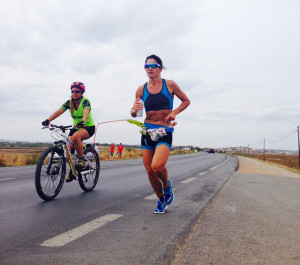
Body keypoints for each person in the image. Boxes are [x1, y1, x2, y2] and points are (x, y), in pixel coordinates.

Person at [130, 54, 190, 214]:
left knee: (157, 167)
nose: (149, 68)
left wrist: (174, 112)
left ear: (160, 68)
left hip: (164, 130)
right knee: (149, 170)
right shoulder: (141, 89)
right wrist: (134, 110)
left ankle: (166, 185)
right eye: (146, 66)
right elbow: (136, 113)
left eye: (153, 66)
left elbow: (186, 101)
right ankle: (161, 199)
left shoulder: (169, 85)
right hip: (147, 131)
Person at [42, 81, 95, 182]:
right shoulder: (69, 103)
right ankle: (73, 171)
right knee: (68, 150)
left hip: (88, 127)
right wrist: (48, 120)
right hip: (76, 127)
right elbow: (59, 111)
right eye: (72, 91)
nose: (74, 93)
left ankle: (81, 160)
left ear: (82, 93)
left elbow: (86, 112)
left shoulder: (85, 102)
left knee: (76, 137)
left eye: (77, 91)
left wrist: (83, 121)